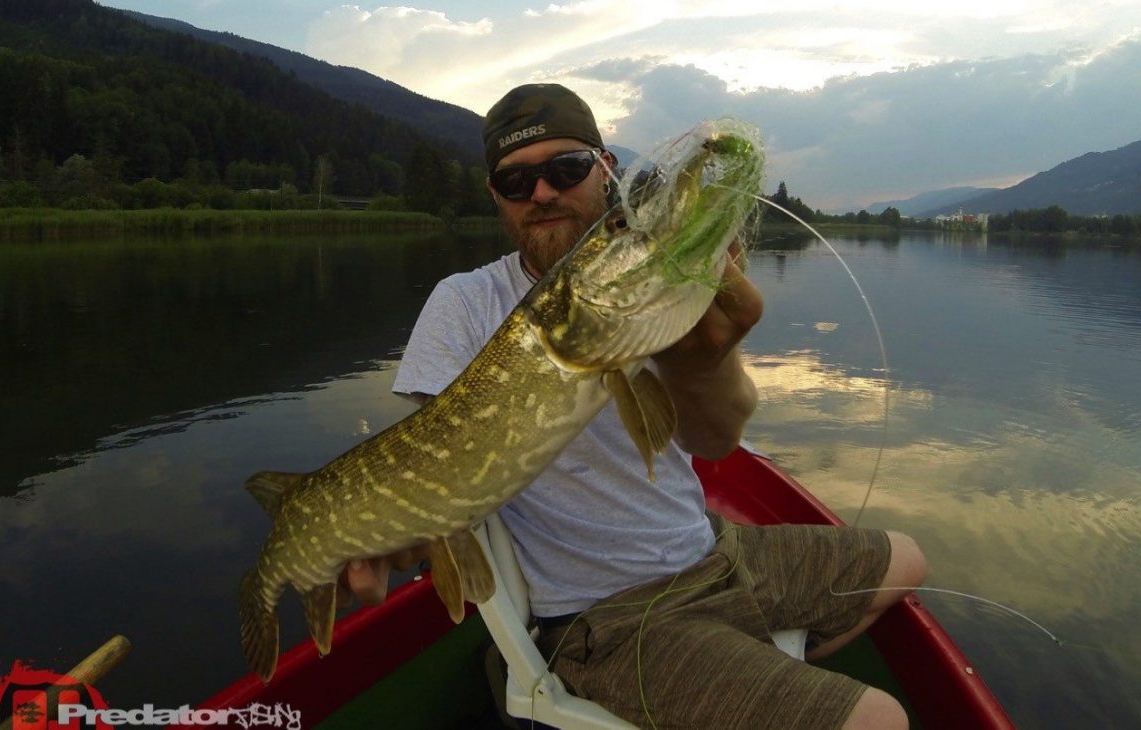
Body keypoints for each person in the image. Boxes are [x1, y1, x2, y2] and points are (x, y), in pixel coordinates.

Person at [342, 83, 926, 729]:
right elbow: (437, 458)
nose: (542, 193)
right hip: (608, 614)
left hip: (709, 549)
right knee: (882, 721)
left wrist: (701, 362)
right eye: (516, 181)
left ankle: (728, 674)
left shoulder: (649, 284)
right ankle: (700, 677)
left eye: (566, 169)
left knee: (907, 559)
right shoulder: (464, 302)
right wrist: (396, 531)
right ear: (495, 195)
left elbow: (716, 442)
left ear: (605, 170)